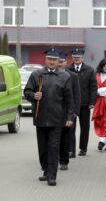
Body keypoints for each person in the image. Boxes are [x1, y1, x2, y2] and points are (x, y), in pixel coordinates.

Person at [24, 48, 73, 186]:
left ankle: (52, 175)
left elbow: (69, 99)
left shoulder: (65, 77)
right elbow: (27, 91)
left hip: (57, 119)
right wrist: (33, 95)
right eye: (49, 59)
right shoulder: (36, 75)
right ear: (45, 60)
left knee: (53, 147)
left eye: (54, 60)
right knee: (43, 148)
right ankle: (46, 170)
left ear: (59, 62)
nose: (52, 62)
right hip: (40, 117)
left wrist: (70, 117)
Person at [67, 49, 97, 156]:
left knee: (85, 127)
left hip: (85, 104)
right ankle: (71, 150)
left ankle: (83, 148)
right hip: (72, 103)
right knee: (71, 127)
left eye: (78, 57)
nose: (76, 59)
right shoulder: (68, 70)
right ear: (72, 58)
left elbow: (93, 87)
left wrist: (92, 101)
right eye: (74, 57)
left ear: (82, 58)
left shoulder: (89, 70)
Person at [58, 52, 81, 170]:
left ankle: (64, 160)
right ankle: (53, 158)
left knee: (66, 136)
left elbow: (77, 94)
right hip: (54, 111)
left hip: (68, 111)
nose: (60, 64)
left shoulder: (73, 76)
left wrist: (75, 112)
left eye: (62, 62)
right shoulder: (50, 74)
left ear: (66, 62)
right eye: (59, 61)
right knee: (54, 136)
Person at [92, 59, 106, 151]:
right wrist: (99, 91)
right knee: (100, 121)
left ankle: (101, 142)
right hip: (99, 102)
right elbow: (94, 87)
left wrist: (99, 91)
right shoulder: (96, 75)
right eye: (104, 66)